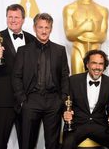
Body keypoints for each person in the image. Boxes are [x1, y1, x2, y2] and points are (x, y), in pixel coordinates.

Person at [12, 13, 70, 149]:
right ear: (34, 28)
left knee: (53, 143)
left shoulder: (60, 50)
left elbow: (64, 76)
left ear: (51, 29)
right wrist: (23, 100)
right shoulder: (23, 51)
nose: (44, 31)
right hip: (31, 100)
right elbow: (16, 77)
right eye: (40, 27)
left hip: (53, 101)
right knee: (27, 143)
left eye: (47, 27)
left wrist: (62, 99)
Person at [0, 4, 35, 149]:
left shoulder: (32, 39)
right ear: (6, 18)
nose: (13, 20)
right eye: (10, 17)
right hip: (3, 100)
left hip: (26, 101)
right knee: (0, 143)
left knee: (27, 143)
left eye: (16, 17)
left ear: (23, 19)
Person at [62, 49, 109, 149]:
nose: (97, 67)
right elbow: (67, 103)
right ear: (87, 65)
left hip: (100, 125)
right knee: (67, 144)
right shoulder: (74, 80)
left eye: (101, 64)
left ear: (104, 66)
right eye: (94, 63)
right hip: (78, 125)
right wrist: (66, 113)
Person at [63, 0, 108, 74]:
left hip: (96, 52)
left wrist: (81, 35)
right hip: (77, 50)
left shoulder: (102, 10)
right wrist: (84, 27)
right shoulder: (70, 9)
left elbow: (103, 36)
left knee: (97, 85)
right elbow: (69, 35)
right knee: (76, 84)